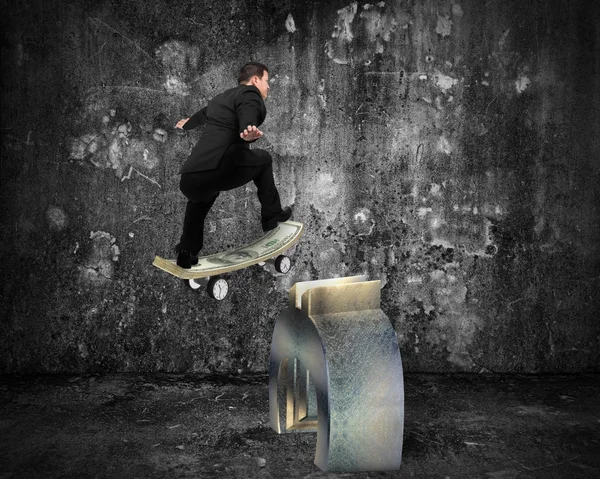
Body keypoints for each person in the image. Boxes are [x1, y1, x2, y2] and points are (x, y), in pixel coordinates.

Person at [174, 62, 292, 268]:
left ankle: (187, 251)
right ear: (255, 80)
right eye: (267, 81)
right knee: (264, 159)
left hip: (190, 176)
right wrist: (248, 129)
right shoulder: (250, 94)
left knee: (200, 201)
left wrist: (188, 124)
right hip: (221, 166)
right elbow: (248, 110)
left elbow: (202, 115)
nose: (268, 87)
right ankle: (272, 217)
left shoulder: (220, 99)